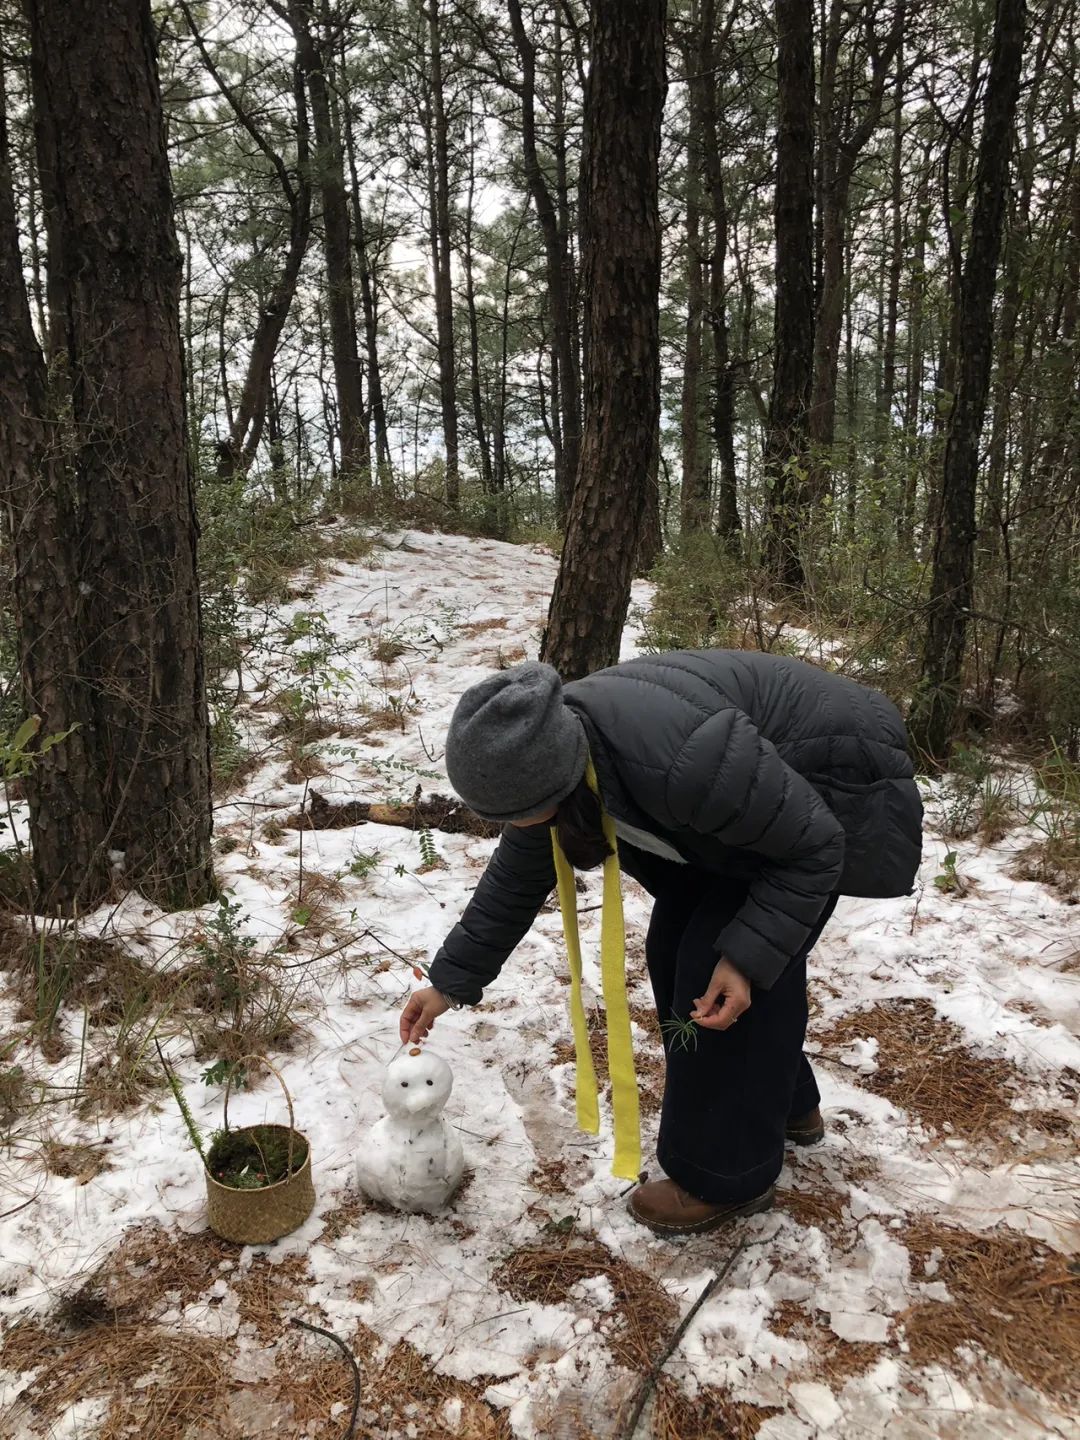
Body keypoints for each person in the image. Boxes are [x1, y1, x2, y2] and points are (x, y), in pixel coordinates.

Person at [399, 651, 922, 1236]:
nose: (518, 826)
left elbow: (814, 844)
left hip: (838, 780)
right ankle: (788, 1107)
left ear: (554, 779)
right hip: (752, 809)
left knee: (718, 964)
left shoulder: (679, 756)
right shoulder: (560, 752)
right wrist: (448, 981)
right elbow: (519, 875)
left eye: (521, 814)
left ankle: (724, 1175)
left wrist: (744, 961)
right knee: (679, 944)